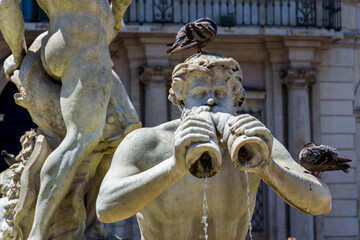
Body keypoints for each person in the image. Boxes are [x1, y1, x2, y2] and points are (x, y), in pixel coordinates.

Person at [96, 53, 332, 239]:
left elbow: (321, 203)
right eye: (199, 93)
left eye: (220, 93)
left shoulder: (253, 144)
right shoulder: (148, 142)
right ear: (181, 101)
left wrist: (267, 167)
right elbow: (105, 208)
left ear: (236, 101)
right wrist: (175, 167)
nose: (211, 101)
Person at [0, 0, 132, 239]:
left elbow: (6, 4)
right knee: (80, 139)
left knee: (124, 130)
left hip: (64, 40)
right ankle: (38, 233)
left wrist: (18, 53)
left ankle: (93, 225)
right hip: (86, 42)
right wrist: (117, 16)